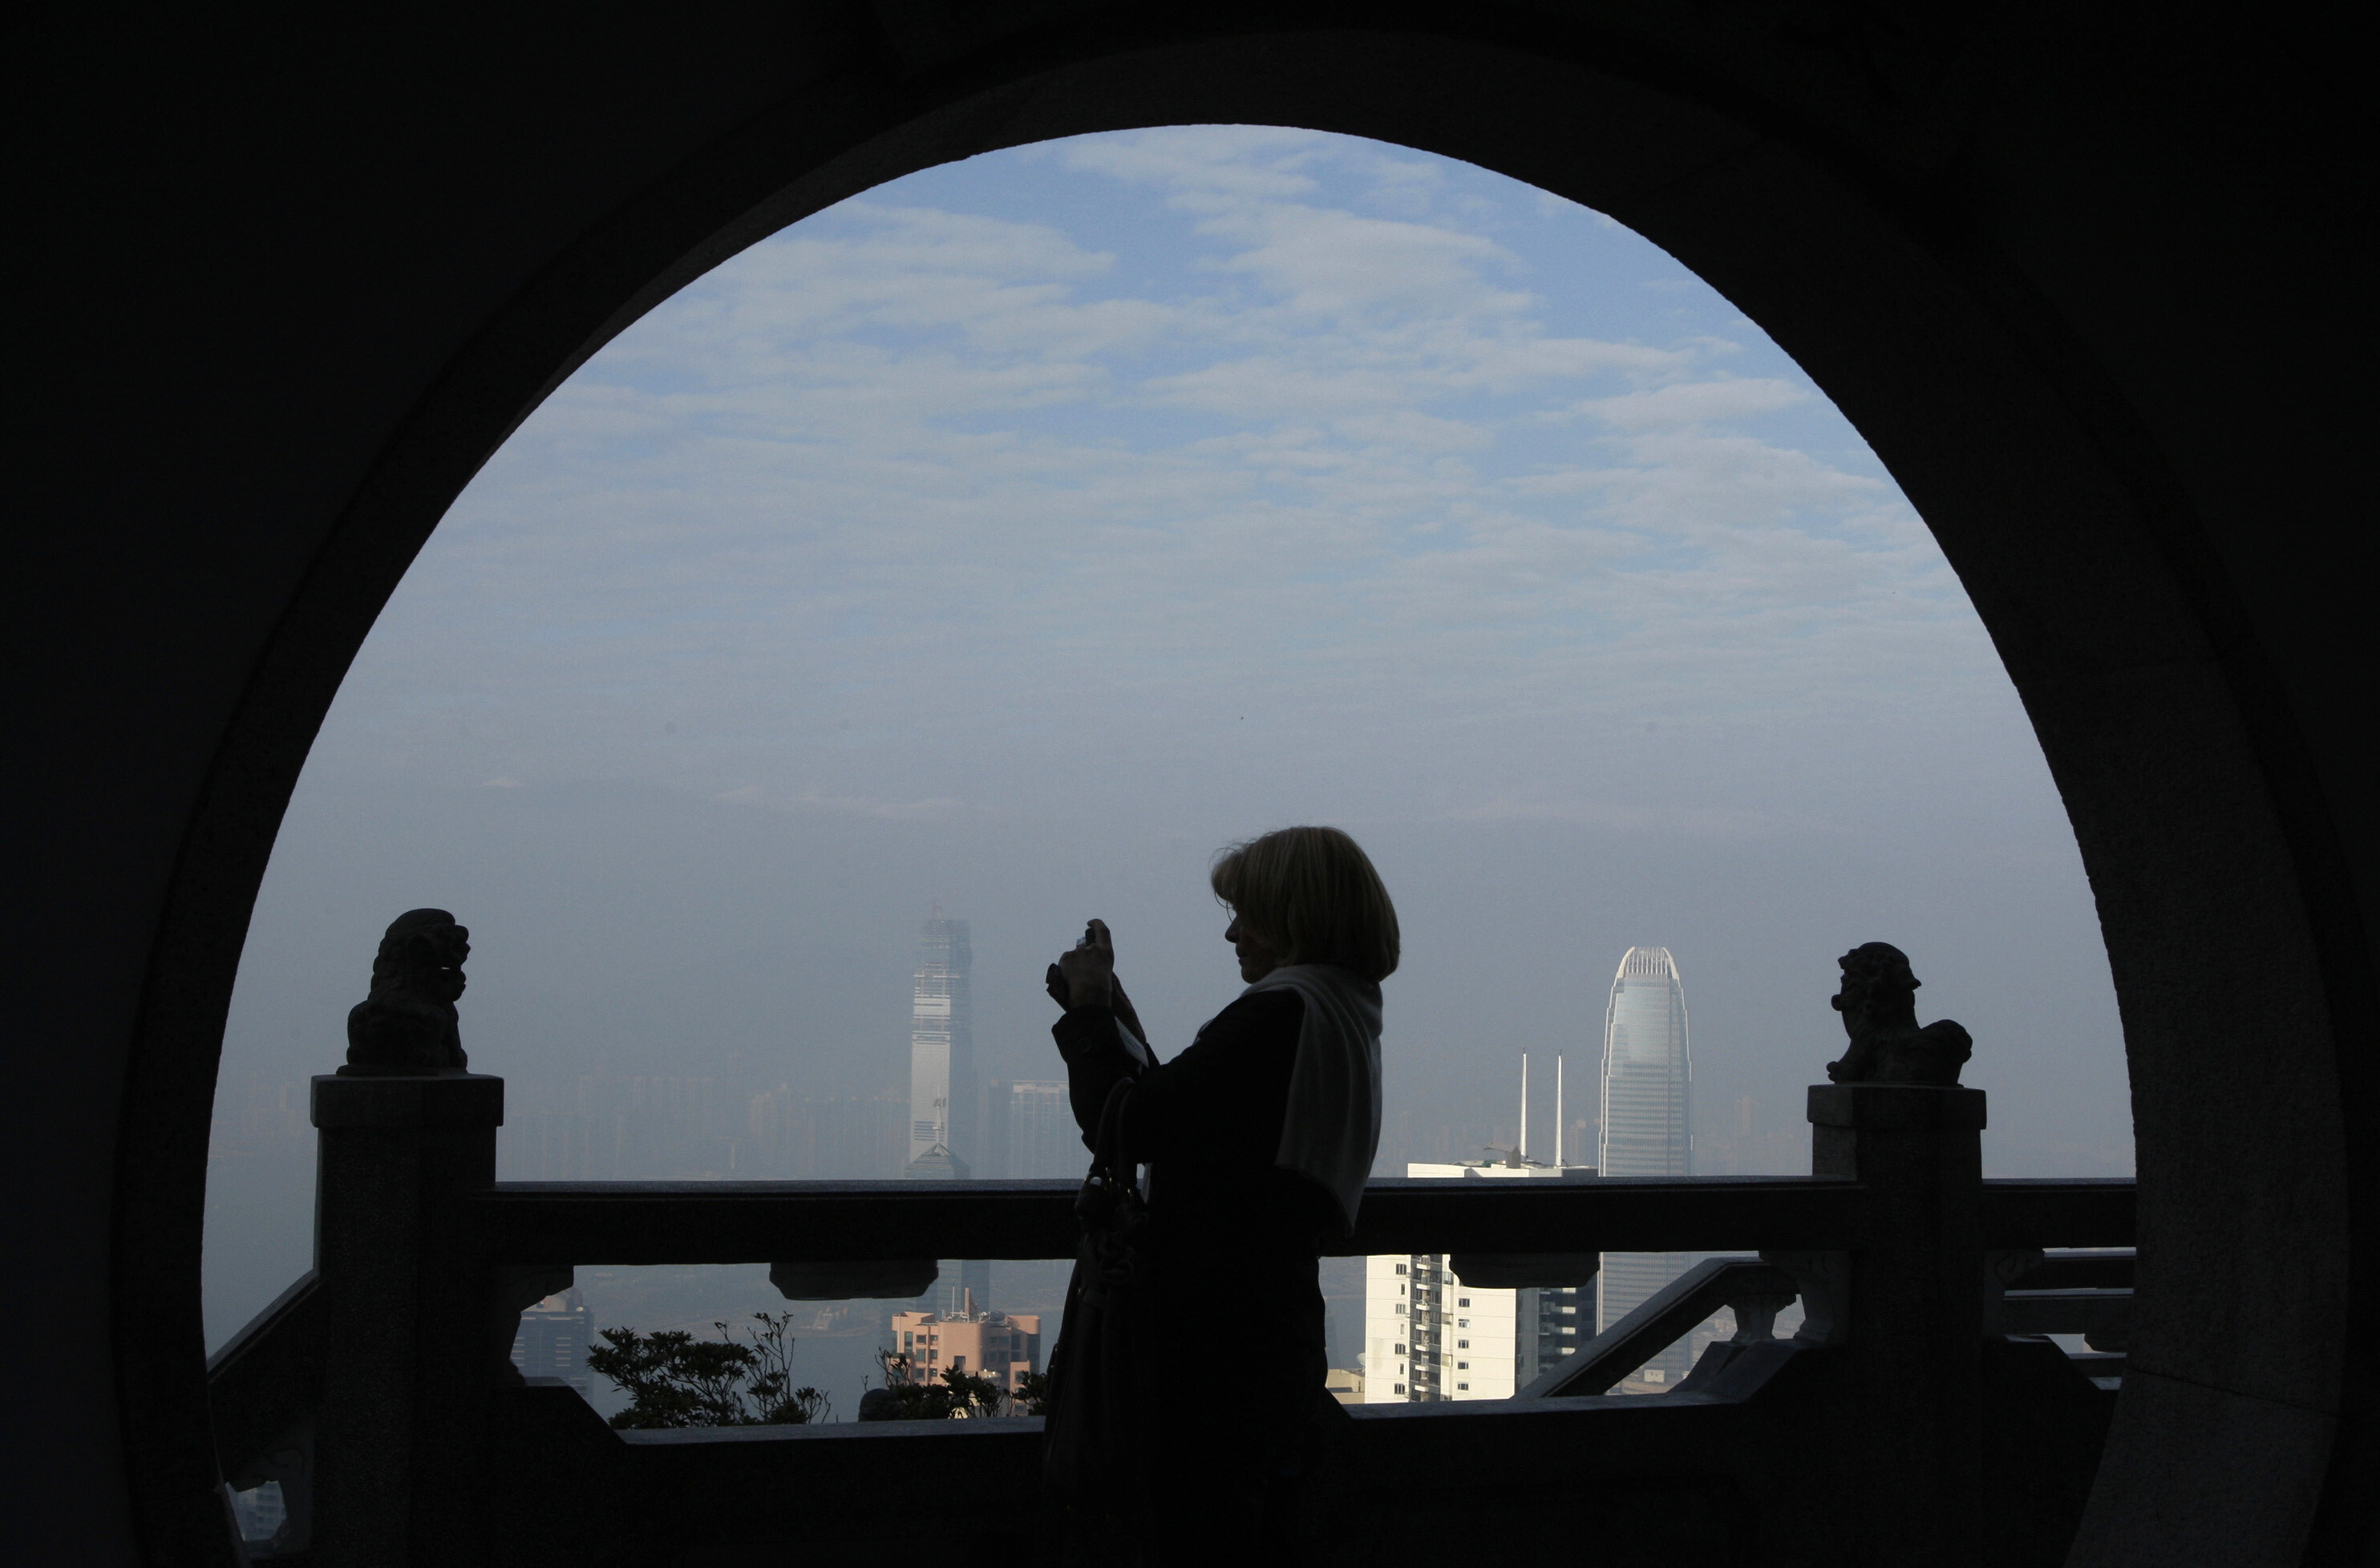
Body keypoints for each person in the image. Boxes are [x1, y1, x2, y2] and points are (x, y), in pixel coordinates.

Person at [1047, 825, 1398, 1561]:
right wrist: (1117, 1020)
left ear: (1294, 917)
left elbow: (1132, 1124)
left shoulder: (1281, 1013)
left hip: (1215, 1350)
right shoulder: (1341, 1012)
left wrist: (1086, 1017)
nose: (1233, 932)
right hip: (1274, 1328)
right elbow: (1196, 1112)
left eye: (1248, 914)